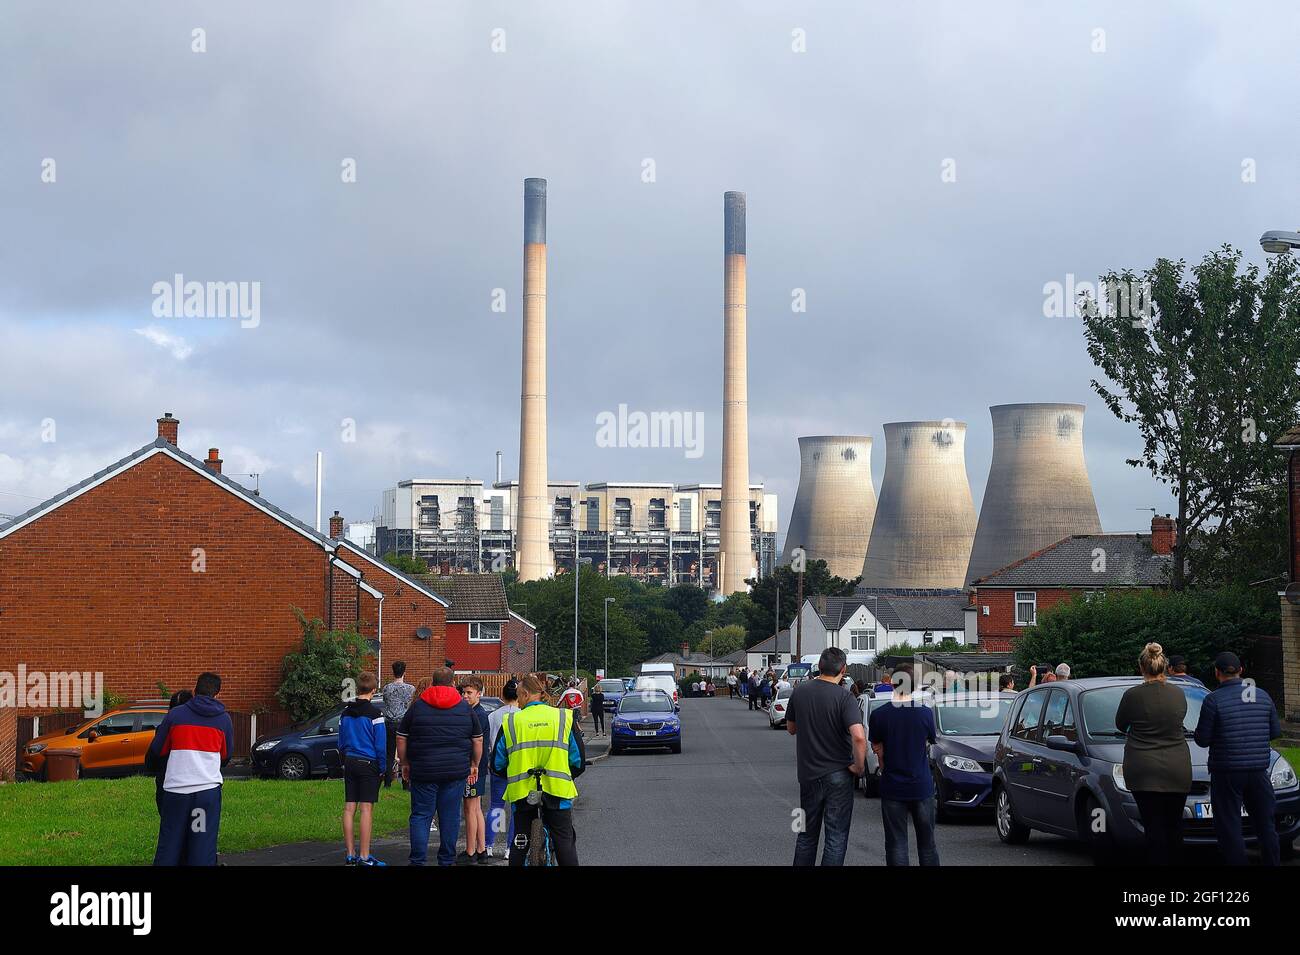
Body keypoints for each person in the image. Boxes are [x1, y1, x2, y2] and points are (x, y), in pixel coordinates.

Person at [1194, 651, 1282, 866]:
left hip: (1227, 772)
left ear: (1217, 673)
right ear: (1241, 670)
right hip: (1260, 771)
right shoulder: (1262, 695)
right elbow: (1275, 732)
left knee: (1229, 825)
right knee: (1265, 825)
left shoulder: (1213, 700)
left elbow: (1202, 740)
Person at [493, 675, 585, 866]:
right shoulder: (563, 717)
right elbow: (578, 762)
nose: (518, 702)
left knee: (520, 843)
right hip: (558, 791)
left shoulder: (511, 722)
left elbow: (497, 764)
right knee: (564, 841)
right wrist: (565, 773)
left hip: (522, 793)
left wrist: (512, 774)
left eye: (518, 697)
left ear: (525, 694)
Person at [785, 647, 866, 866]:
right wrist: (859, 768)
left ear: (819, 666)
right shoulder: (845, 697)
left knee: (805, 834)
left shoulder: (800, 691)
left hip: (808, 775)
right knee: (836, 837)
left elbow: (791, 728)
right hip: (839, 774)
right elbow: (859, 737)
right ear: (844, 669)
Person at [397, 667, 482, 866]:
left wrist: (405, 763)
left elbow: (401, 738)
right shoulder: (465, 709)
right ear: (453, 684)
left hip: (423, 770)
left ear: (433, 683)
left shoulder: (417, 707)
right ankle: (446, 860)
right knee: (450, 816)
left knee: (421, 815)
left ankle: (417, 861)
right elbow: (477, 741)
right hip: (455, 771)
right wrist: (474, 764)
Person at [1115, 643, 1191, 866]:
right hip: (1178, 765)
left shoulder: (1132, 695)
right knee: (1175, 825)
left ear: (1141, 667)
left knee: (1153, 825)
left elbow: (1121, 724)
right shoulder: (1178, 694)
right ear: (1165, 667)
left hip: (1143, 766)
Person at [149, 672, 234, 866]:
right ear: (217, 694)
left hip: (176, 794)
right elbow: (226, 755)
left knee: (169, 845)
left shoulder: (175, 715)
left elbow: (158, 749)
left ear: (195, 691)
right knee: (201, 845)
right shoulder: (224, 720)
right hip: (205, 796)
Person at [868, 663, 939, 866]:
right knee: (927, 845)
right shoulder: (925, 713)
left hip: (892, 785)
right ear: (915, 686)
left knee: (896, 843)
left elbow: (877, 748)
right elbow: (930, 740)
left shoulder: (879, 715)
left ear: (891, 684)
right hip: (921, 784)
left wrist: (883, 765)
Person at [340, 671, 387, 866]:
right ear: (374, 691)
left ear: (357, 688)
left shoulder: (345, 713)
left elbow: (341, 742)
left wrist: (344, 759)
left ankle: (350, 853)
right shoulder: (376, 714)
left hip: (350, 761)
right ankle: (365, 856)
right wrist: (383, 768)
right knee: (366, 809)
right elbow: (380, 745)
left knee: (350, 807)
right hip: (369, 763)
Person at [457, 677, 491, 864]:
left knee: (470, 808)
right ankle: (481, 849)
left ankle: (470, 852)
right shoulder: (475, 712)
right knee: (476, 808)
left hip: (473, 767)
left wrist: (472, 766)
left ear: (479, 693)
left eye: (469, 693)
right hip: (477, 766)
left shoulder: (477, 714)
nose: (465, 696)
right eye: (464, 692)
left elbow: (475, 743)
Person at [486, 679, 521, 857]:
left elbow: (488, 742)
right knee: (516, 807)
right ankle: (509, 848)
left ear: (502, 695)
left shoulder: (492, 716)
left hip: (497, 766)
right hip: (517, 767)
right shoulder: (522, 715)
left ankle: (490, 845)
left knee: (496, 807)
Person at [147, 689, 192, 815]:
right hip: (196, 786)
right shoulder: (203, 727)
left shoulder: (165, 727)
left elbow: (152, 758)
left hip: (169, 783)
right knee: (196, 829)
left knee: (171, 826)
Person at [382, 660, 415, 789]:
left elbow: (385, 703)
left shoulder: (387, 688)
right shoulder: (410, 689)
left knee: (389, 754)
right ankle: (406, 783)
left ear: (393, 672)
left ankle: (387, 782)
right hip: (404, 723)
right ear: (404, 673)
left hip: (390, 722)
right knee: (405, 754)